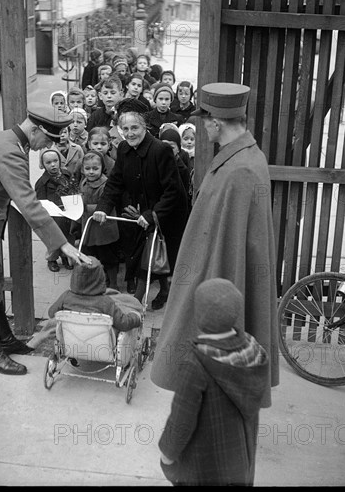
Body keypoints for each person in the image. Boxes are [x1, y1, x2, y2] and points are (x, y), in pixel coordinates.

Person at [151, 82, 279, 408]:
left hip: (217, 276)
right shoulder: (238, 158)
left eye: (203, 120)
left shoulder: (243, 169)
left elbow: (231, 247)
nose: (201, 126)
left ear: (215, 122)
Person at [0, 104, 92, 376]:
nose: (45, 146)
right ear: (35, 129)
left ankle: (3, 340)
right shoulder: (10, 151)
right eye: (46, 139)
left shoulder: (5, 138)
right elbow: (27, 202)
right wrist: (62, 244)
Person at [158, 278, 269, 486]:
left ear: (199, 316)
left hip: (206, 466)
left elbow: (181, 418)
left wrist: (168, 454)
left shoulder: (196, 363)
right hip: (241, 461)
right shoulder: (253, 351)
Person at [92, 98, 189, 311]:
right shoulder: (125, 149)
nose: (130, 133)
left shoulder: (160, 150)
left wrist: (152, 213)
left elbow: (173, 191)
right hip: (140, 211)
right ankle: (159, 290)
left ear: (145, 127)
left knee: (156, 251)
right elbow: (115, 183)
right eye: (125, 128)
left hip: (167, 211)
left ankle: (136, 304)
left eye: (134, 127)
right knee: (150, 253)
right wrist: (102, 208)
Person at [25, 256, 143, 351]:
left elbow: (52, 313)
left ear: (75, 278)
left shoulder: (67, 296)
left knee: (57, 320)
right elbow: (124, 323)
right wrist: (136, 317)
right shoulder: (106, 302)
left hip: (72, 340)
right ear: (100, 279)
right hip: (101, 344)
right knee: (120, 321)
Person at [79, 151, 121, 290]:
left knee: (108, 257)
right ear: (82, 169)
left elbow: (107, 203)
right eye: (87, 168)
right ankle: (96, 282)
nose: (91, 172)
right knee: (91, 256)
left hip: (104, 230)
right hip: (89, 228)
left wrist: (85, 207)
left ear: (102, 168)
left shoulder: (106, 185)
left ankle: (113, 284)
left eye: (95, 168)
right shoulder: (83, 182)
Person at [35, 148, 81, 273]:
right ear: (43, 165)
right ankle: (52, 259)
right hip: (54, 215)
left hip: (69, 212)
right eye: (48, 162)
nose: (53, 165)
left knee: (69, 236)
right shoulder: (42, 182)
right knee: (54, 239)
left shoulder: (67, 174)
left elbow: (74, 188)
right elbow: (40, 201)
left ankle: (66, 257)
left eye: (55, 161)